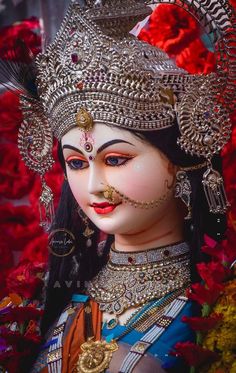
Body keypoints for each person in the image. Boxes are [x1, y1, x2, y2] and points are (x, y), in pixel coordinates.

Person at [2, 0, 235, 372]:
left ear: (179, 161)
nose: (94, 185)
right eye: (76, 163)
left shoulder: (221, 311)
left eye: (115, 160)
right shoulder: (38, 307)